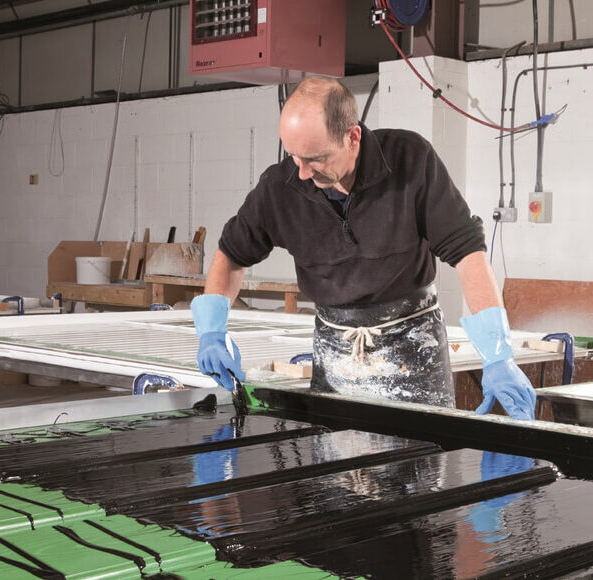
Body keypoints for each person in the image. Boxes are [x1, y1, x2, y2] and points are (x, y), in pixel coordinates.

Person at [190, 76, 536, 420]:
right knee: (337, 468)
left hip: (413, 347)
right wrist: (211, 332)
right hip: (335, 354)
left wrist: (497, 353)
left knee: (422, 465)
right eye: (294, 156)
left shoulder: (410, 161)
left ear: (352, 137)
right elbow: (232, 255)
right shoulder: (280, 187)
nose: (303, 173)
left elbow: (467, 253)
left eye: (316, 159)